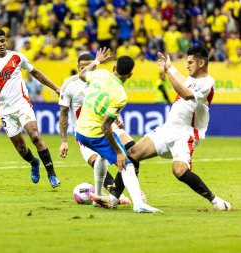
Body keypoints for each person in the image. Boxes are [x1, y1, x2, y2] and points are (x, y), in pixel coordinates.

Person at [127, 46, 231, 211]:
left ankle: (215, 200)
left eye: (190, 62)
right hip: (167, 129)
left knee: (179, 171)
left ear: (201, 63)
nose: (187, 65)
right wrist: (170, 67)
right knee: (133, 153)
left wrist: (167, 72)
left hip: (185, 134)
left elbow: (186, 94)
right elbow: (183, 81)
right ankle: (121, 197)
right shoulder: (192, 79)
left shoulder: (207, 82)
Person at [75, 48, 161, 213]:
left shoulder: (100, 74)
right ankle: (139, 204)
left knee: (101, 155)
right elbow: (105, 127)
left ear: (114, 67)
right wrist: (119, 152)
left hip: (80, 132)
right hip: (95, 133)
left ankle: (98, 196)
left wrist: (97, 61)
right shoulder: (120, 95)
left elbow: (82, 75)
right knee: (127, 163)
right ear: (130, 75)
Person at [0, 28, 61, 188]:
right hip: (5, 110)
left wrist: (55, 88)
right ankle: (34, 163)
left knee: (35, 136)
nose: (0, 44)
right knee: (21, 148)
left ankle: (52, 175)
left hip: (22, 104)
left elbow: (36, 73)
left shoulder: (17, 57)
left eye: (2, 41)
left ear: (6, 40)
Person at [59, 53, 146, 205]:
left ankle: (123, 192)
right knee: (99, 160)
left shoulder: (100, 77)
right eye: (83, 66)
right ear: (78, 67)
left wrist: (117, 118)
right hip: (87, 129)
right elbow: (64, 113)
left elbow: (108, 104)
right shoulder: (71, 84)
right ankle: (114, 196)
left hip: (107, 125)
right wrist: (64, 141)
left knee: (133, 151)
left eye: (89, 64)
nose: (86, 68)